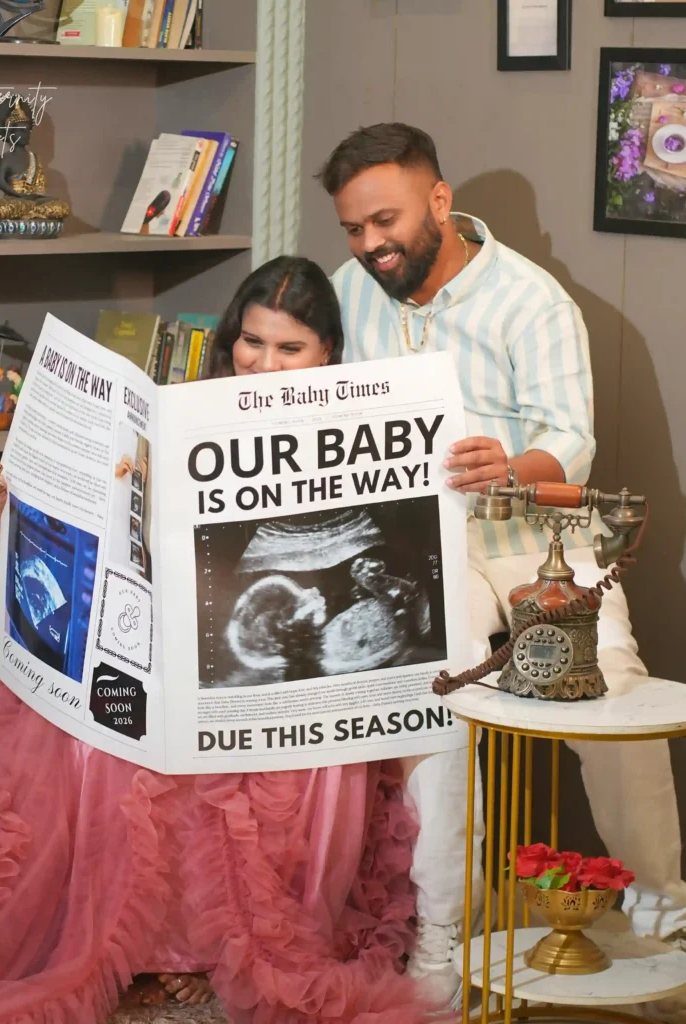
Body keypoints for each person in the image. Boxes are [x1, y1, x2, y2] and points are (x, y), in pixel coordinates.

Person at [0, 257, 443, 1024]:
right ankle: (139, 947)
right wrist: (19, 499)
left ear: (327, 355)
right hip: (163, 645)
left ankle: (215, 953)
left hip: (281, 668)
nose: (261, 362)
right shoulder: (179, 416)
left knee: (285, 764)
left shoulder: (354, 432)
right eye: (251, 340)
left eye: (288, 347)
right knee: (95, 738)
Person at [316, 122, 686, 1009]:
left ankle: (663, 901)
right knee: (432, 701)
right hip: (408, 543)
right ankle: (449, 923)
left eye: (385, 222)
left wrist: (509, 468)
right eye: (353, 230)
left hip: (529, 539)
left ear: (439, 203)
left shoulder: (531, 300)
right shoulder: (347, 289)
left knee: (612, 694)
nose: (369, 246)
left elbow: (573, 444)